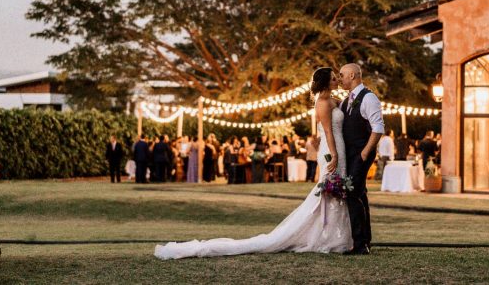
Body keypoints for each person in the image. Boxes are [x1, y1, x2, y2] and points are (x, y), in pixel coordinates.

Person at [154, 67, 352, 259]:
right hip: (331, 149)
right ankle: (328, 237)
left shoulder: (333, 100)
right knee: (328, 190)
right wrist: (334, 155)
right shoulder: (322, 103)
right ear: (325, 82)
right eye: (333, 78)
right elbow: (327, 132)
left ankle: (335, 234)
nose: (337, 80)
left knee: (335, 189)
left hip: (339, 146)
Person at [338, 62, 384, 255]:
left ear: (352, 75)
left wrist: (364, 153)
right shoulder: (345, 101)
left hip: (361, 154)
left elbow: (378, 128)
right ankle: (365, 241)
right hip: (348, 155)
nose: (339, 79)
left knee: (352, 193)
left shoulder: (369, 97)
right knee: (359, 194)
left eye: (341, 75)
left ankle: (359, 244)